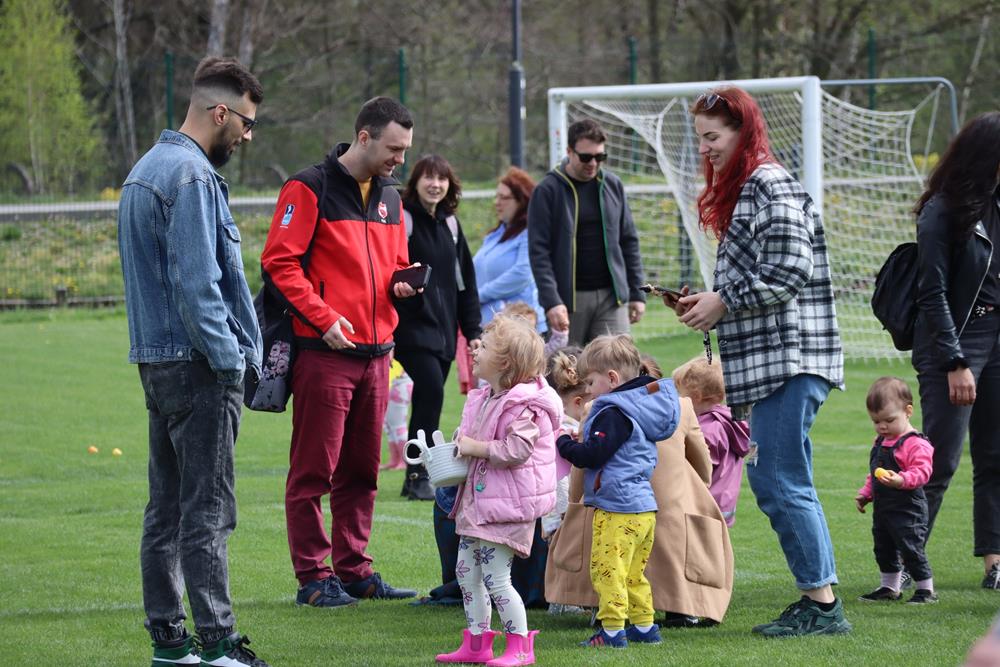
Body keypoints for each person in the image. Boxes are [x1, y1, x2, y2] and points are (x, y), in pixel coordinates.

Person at [671, 86, 847, 637]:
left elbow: (789, 269)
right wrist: (709, 301)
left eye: (713, 137)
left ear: (743, 131)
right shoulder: (751, 187)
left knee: (778, 479)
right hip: (775, 362)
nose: (705, 149)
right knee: (783, 479)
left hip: (790, 360)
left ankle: (821, 605)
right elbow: (761, 276)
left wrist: (723, 300)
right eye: (700, 139)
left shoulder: (768, 183)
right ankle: (820, 600)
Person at [117, 57, 269, 667]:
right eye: (247, 123)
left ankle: (170, 642)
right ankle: (218, 644)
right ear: (220, 112)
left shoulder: (143, 170)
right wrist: (231, 363)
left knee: (166, 510)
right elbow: (198, 287)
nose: (247, 136)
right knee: (208, 512)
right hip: (199, 366)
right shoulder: (192, 176)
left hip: (157, 363)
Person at [260, 96, 419, 607]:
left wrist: (402, 284)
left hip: (378, 354)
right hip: (324, 351)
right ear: (364, 137)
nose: (400, 160)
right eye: (394, 149)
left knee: (362, 471)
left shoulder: (391, 197)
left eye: (405, 150)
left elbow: (395, 264)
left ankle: (354, 570)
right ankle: (313, 577)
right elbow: (279, 264)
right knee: (314, 470)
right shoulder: (308, 187)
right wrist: (323, 318)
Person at [545, 347, 735, 629]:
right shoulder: (681, 407)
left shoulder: (597, 408)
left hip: (613, 504)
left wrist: (574, 505)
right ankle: (679, 608)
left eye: (591, 382)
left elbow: (582, 468)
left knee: (609, 555)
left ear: (612, 378)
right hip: (667, 510)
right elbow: (703, 468)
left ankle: (607, 614)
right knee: (672, 523)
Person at [435, 316, 561, 666]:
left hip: (506, 509)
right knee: (466, 573)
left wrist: (475, 447)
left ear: (505, 363)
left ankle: (520, 647)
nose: (475, 350)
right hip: (479, 504)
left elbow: (518, 450)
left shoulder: (527, 406)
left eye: (486, 347)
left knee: (496, 577)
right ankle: (477, 643)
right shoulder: (488, 397)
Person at [911, 112, 1000, 589]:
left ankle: (994, 562)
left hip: (998, 338)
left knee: (996, 457)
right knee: (939, 460)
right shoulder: (941, 210)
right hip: (956, 341)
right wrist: (955, 360)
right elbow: (932, 292)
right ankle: (905, 565)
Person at [555, 334, 681, 648]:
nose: (587, 390)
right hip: (643, 508)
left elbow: (593, 454)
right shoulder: (639, 409)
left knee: (607, 570)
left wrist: (564, 442)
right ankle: (644, 625)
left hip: (617, 509)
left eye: (591, 382)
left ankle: (611, 630)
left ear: (611, 379)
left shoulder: (614, 413)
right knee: (634, 572)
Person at [395, 154, 482, 500]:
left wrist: (472, 331)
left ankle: (415, 478)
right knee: (431, 390)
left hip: (444, 331)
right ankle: (419, 474)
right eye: (428, 178)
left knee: (429, 397)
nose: (435, 185)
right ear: (416, 182)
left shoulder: (451, 225)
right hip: (411, 327)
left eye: (442, 179)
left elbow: (465, 284)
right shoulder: (403, 219)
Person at [527, 119, 646, 345]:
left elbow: (629, 241)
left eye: (600, 157)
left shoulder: (613, 185)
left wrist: (637, 292)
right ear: (569, 152)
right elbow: (538, 253)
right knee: (567, 366)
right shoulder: (547, 191)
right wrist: (552, 301)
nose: (593, 163)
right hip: (568, 302)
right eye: (585, 157)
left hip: (612, 299)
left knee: (618, 362)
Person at [854, 377, 936, 604]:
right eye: (876, 421)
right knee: (884, 548)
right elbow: (875, 473)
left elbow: (923, 472)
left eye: (889, 420)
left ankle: (926, 590)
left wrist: (902, 479)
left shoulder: (915, 443)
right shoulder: (880, 441)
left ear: (908, 411)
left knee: (911, 549)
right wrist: (866, 493)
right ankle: (890, 588)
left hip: (908, 509)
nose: (882, 426)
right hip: (883, 509)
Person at [672, 355, 750, 527]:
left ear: (696, 396)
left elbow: (696, 468)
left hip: (705, 508)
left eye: (680, 394)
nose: (677, 400)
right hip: (723, 506)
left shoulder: (708, 430)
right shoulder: (729, 421)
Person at [472, 167, 546, 330]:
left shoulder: (529, 233)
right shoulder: (495, 235)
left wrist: (480, 295)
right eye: (497, 196)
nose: (497, 202)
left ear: (522, 201)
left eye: (504, 197)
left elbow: (522, 274)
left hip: (521, 328)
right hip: (493, 327)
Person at [380, 359, 412, 470]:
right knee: (388, 425)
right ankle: (394, 460)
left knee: (398, 426)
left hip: (400, 383)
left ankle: (405, 461)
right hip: (396, 383)